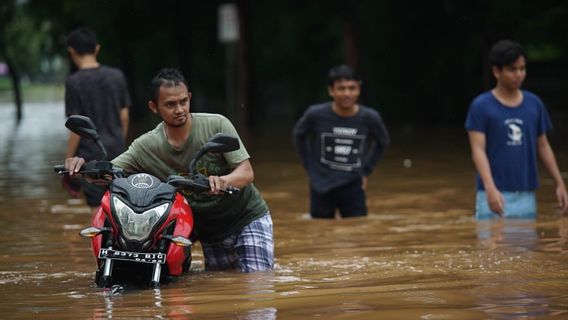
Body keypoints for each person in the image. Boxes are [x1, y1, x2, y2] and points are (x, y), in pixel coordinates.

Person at [65, 68, 274, 272]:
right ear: (154, 107)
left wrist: (223, 181)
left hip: (245, 218)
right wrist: (84, 168)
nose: (180, 109)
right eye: (170, 104)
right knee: (219, 288)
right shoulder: (146, 145)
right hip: (205, 229)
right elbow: (111, 172)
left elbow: (246, 172)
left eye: (183, 101)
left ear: (190, 97)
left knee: (256, 288)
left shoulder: (217, 125)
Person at [465, 39, 568, 219]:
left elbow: (543, 146)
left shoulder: (534, 104)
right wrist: (490, 189)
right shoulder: (481, 106)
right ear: (497, 71)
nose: (519, 74)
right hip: (491, 196)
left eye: (522, 68)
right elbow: (478, 150)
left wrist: (559, 183)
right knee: (492, 247)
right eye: (512, 69)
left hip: (526, 196)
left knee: (527, 246)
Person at [293, 65, 390, 219]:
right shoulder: (315, 115)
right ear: (331, 91)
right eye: (341, 88)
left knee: (356, 230)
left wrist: (366, 171)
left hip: (353, 184)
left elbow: (383, 142)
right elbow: (299, 135)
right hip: (321, 185)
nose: (347, 94)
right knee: (320, 230)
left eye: (352, 88)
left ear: (359, 90)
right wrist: (309, 167)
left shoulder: (370, 117)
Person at [64, 27, 131, 214]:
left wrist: (68, 160)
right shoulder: (116, 76)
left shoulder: (73, 82)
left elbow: (76, 128)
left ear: (71, 51)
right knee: (119, 205)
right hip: (118, 152)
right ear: (97, 48)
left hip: (89, 156)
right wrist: (118, 144)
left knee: (97, 212)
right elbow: (124, 116)